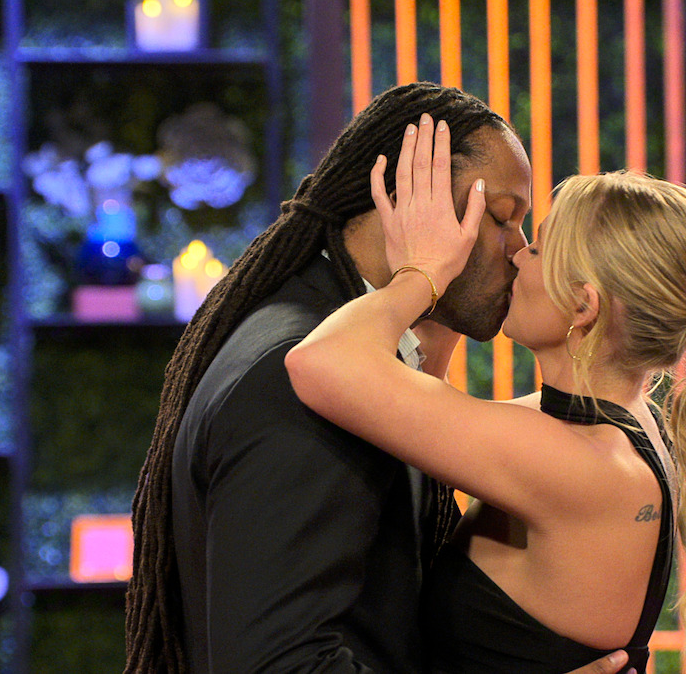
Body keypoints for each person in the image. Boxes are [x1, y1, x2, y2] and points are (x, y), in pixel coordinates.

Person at [124, 83, 630, 674]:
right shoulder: (302, 379)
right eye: (500, 217)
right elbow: (284, 666)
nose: (519, 250)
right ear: (405, 201)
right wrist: (423, 277)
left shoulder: (351, 352)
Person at [286, 115, 686, 673]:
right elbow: (424, 408)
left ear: (583, 306)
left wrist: (422, 272)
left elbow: (320, 362)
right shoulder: (611, 429)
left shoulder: (577, 462)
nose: (517, 254)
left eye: (539, 248)